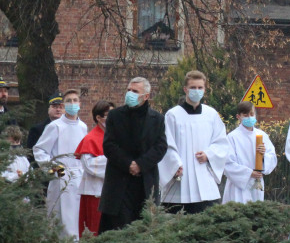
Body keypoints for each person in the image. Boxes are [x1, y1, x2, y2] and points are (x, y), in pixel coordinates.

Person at [99, 77, 167, 232]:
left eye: (135, 91)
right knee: (118, 228)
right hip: (119, 181)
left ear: (146, 96)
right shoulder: (115, 116)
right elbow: (109, 145)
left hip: (145, 181)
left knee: (144, 228)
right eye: (128, 90)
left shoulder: (157, 119)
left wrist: (140, 165)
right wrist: (129, 164)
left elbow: (160, 146)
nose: (130, 93)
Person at [157, 70, 229, 214]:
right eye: (193, 88)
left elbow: (221, 142)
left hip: (205, 179)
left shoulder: (211, 114)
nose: (196, 91)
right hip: (180, 179)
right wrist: (174, 164)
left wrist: (209, 154)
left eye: (200, 88)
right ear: (185, 89)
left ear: (204, 89)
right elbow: (166, 144)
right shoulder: (173, 115)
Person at [34, 88, 89, 239]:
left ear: (80, 103)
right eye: (68, 101)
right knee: (59, 219)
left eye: (75, 100)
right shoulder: (55, 126)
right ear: (64, 105)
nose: (72, 103)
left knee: (77, 218)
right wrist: (55, 171)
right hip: (60, 176)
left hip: (79, 177)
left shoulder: (83, 127)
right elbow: (39, 150)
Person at [223, 100, 278, 204]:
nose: (249, 117)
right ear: (238, 117)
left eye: (252, 114)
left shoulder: (262, 136)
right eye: (245, 114)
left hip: (257, 183)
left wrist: (264, 156)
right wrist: (249, 173)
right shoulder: (232, 137)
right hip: (238, 185)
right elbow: (227, 164)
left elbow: (272, 157)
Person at [74, 100, 113, 237]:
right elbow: (89, 165)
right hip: (95, 191)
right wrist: (115, 160)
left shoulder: (115, 137)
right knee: (94, 230)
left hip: (113, 191)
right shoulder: (90, 138)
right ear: (98, 118)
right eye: (109, 115)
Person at [26, 95, 64, 166]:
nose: (58, 110)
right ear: (48, 109)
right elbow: (30, 153)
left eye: (61, 107)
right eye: (55, 107)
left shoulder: (67, 128)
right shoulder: (37, 129)